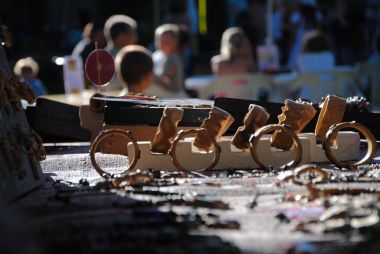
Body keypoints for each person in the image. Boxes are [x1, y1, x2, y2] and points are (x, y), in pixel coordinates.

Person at [153, 24, 184, 93]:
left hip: (173, 94)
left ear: (175, 42)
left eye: (166, 41)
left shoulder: (173, 58)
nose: (161, 44)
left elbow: (164, 82)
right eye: (159, 40)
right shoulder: (156, 55)